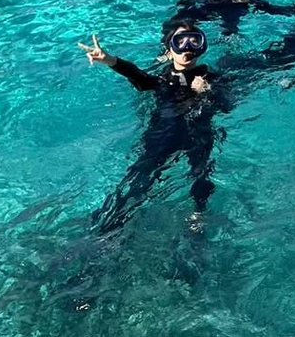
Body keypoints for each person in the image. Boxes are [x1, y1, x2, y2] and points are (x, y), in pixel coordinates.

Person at [79, 24, 219, 232]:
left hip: (198, 134)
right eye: (179, 42)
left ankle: (198, 217)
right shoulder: (162, 80)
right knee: (138, 181)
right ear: (169, 50)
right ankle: (109, 226)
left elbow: (226, 104)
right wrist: (110, 60)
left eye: (193, 41)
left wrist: (207, 93)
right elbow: (139, 77)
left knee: (201, 174)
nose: (187, 47)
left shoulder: (212, 79)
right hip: (162, 136)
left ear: (203, 47)